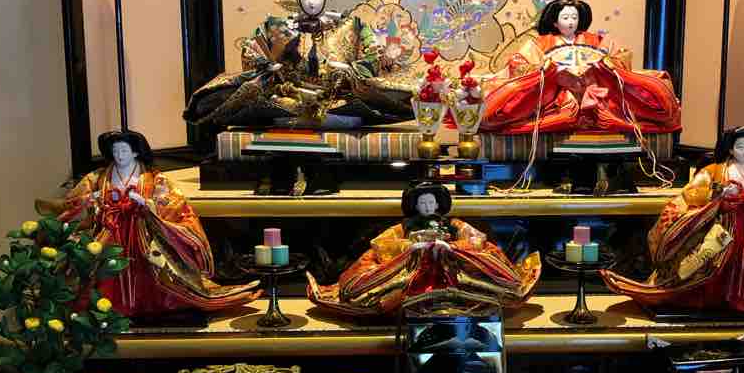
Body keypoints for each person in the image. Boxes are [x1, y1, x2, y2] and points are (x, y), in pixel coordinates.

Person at [183, 0, 415, 129]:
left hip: (339, 100)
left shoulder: (351, 25)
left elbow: (373, 54)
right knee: (240, 99)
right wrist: (268, 66)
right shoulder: (278, 26)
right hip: (287, 100)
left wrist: (350, 70)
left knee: (396, 96)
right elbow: (251, 50)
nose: (311, 2)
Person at [601, 126, 744, 314]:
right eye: (739, 146)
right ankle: (715, 301)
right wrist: (718, 194)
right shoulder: (713, 171)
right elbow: (692, 194)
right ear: (730, 149)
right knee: (712, 265)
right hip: (724, 225)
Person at [60, 130, 259, 318]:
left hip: (142, 232)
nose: (119, 155)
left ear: (136, 152)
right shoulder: (97, 177)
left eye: (124, 151)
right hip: (110, 232)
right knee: (106, 272)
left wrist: (147, 203)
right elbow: (75, 202)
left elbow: (172, 204)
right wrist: (93, 199)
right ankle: (112, 306)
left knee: (150, 273)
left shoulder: (154, 178)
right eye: (115, 151)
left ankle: (148, 303)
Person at [306, 182, 540, 318]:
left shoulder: (453, 224)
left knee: (495, 270)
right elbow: (381, 244)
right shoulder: (403, 227)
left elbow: (477, 239)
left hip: (453, 268)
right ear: (414, 205)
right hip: (411, 273)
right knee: (360, 285)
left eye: (430, 202)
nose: (427, 206)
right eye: (422, 203)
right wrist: (411, 248)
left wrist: (453, 247)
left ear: (438, 204)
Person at [480, 0, 681, 136]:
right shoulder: (541, 43)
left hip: (596, 93)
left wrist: (605, 66)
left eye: (574, 17)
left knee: (651, 93)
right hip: (556, 96)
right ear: (555, 22)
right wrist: (547, 70)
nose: (570, 22)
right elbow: (519, 63)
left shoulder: (595, 40)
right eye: (565, 18)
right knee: (511, 101)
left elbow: (621, 56)